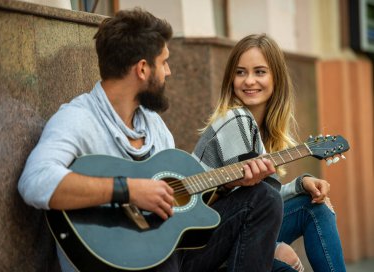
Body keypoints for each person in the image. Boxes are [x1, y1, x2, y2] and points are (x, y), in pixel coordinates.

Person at [18, 9, 284, 272]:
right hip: (119, 261)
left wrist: (228, 184)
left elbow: (178, 207)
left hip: (170, 253)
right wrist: (129, 190)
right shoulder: (78, 119)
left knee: (263, 199)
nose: (168, 72)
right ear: (143, 69)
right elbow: (35, 181)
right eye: (164, 62)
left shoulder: (153, 124)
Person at [192, 33, 346, 272]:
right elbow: (253, 204)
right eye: (240, 72)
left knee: (315, 204)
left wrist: (301, 183)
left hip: (229, 229)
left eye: (260, 72)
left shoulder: (259, 128)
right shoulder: (236, 118)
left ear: (276, 78)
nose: (249, 81)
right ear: (230, 78)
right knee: (309, 213)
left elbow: (260, 199)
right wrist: (277, 245)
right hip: (201, 243)